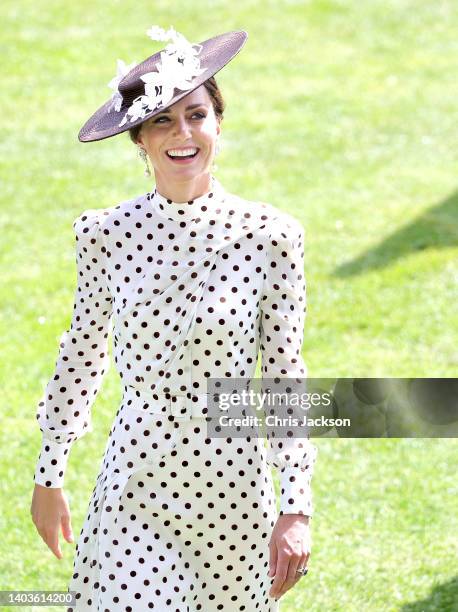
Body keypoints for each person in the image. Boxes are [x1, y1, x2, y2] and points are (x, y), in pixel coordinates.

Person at [30, 25, 318, 611]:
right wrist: (49, 471)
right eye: (163, 120)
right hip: (135, 485)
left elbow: (284, 377)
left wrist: (296, 506)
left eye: (196, 115)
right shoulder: (104, 233)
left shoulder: (272, 236)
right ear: (138, 137)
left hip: (235, 498)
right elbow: (82, 353)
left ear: (218, 123)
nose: (182, 134)